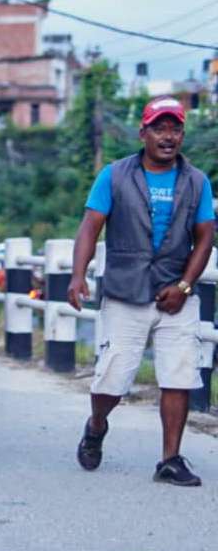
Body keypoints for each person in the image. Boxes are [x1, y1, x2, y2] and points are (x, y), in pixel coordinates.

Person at [68, 97, 215, 486]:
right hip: (125, 292)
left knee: (179, 375)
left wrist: (184, 286)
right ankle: (97, 424)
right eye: (159, 129)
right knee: (112, 378)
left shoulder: (196, 181)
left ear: (182, 134)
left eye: (175, 129)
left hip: (175, 294)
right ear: (143, 133)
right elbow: (90, 226)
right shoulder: (114, 175)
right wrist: (77, 275)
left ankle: (170, 459)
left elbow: (205, 237)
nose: (168, 137)